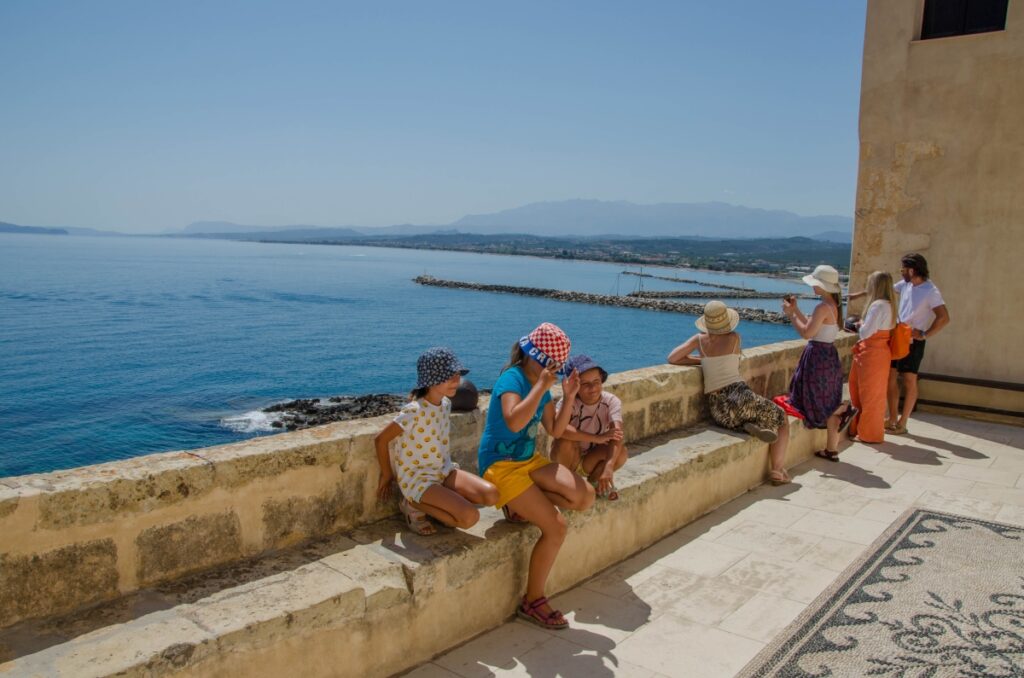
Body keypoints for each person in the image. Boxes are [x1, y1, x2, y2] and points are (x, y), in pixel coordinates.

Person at [478, 322, 595, 630]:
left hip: (529, 461)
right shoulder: (512, 378)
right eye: (552, 364)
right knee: (556, 527)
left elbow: (555, 431)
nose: (554, 369)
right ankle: (533, 600)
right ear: (536, 357)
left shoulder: (542, 384)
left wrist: (567, 396)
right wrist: (542, 387)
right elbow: (515, 422)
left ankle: (518, 504)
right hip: (500, 465)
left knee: (584, 496)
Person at [374, 347, 499, 536]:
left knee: (492, 495)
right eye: (449, 376)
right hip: (419, 479)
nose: (457, 381)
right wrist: (387, 474)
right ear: (430, 380)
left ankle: (441, 505)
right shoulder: (413, 410)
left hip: (443, 470)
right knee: (469, 518)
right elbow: (380, 440)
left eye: (457, 374)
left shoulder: (446, 404)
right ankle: (412, 503)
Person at [668, 301, 792, 485]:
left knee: (741, 416)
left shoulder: (699, 339)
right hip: (738, 394)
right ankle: (777, 470)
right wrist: (705, 360)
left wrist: (702, 361)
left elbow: (673, 358)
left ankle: (747, 425)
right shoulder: (734, 338)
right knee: (781, 417)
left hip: (718, 408)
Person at [781, 264, 855, 462]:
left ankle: (843, 408)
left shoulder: (822, 306)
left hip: (817, 356)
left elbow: (807, 333)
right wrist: (796, 310)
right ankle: (831, 449)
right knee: (827, 397)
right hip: (829, 355)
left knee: (813, 400)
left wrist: (790, 316)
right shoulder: (834, 306)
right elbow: (813, 326)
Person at [886, 253, 949, 434]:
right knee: (890, 378)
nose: (901, 272)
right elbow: (885, 290)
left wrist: (925, 334)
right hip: (897, 338)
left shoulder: (931, 291)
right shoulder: (905, 284)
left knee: (909, 379)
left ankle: (903, 422)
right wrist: (859, 294)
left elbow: (944, 317)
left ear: (912, 270)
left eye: (903, 269)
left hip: (913, 342)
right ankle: (892, 419)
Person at [550, 354, 626, 501]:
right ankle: (567, 483)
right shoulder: (567, 403)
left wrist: (609, 466)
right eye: (585, 384)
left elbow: (617, 433)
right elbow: (561, 430)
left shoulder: (611, 401)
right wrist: (596, 438)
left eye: (596, 382)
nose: (593, 388)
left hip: (589, 459)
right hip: (568, 457)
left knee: (620, 452)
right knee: (565, 441)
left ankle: (597, 482)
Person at [847, 271, 896, 443]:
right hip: (881, 352)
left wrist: (860, 325)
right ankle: (865, 429)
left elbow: (866, 332)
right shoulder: (890, 305)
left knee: (866, 394)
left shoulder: (877, 305)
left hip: (871, 353)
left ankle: (868, 433)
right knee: (874, 393)